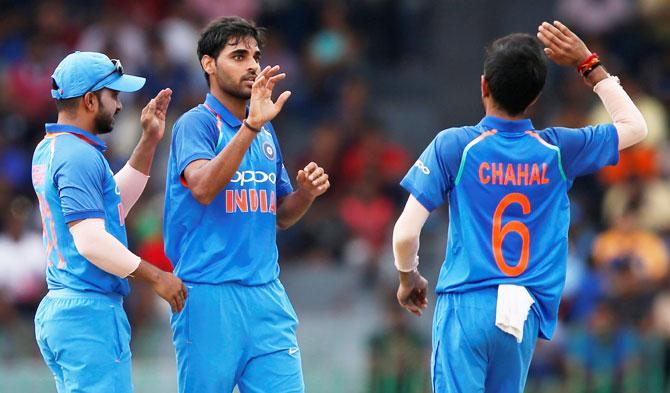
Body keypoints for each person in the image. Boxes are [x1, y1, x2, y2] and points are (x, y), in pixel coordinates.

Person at [392, 21, 648, 393]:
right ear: (535, 98)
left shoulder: (455, 145)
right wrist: (589, 65)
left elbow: (404, 234)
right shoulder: (558, 150)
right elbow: (635, 127)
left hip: (466, 302)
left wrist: (407, 277)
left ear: (484, 86)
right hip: (520, 312)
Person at [163, 16, 330, 393]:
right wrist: (250, 127)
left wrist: (305, 193)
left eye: (255, 55)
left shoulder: (265, 130)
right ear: (208, 64)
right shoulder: (196, 124)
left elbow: (282, 216)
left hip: (266, 294)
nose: (253, 64)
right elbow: (203, 188)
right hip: (207, 295)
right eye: (238, 55)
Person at [31, 51, 187, 393]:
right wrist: (156, 276)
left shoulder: (54, 147)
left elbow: (111, 205)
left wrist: (149, 140)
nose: (119, 105)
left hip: (67, 308)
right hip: (87, 314)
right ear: (89, 100)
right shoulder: (78, 155)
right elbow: (90, 241)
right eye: (113, 95)